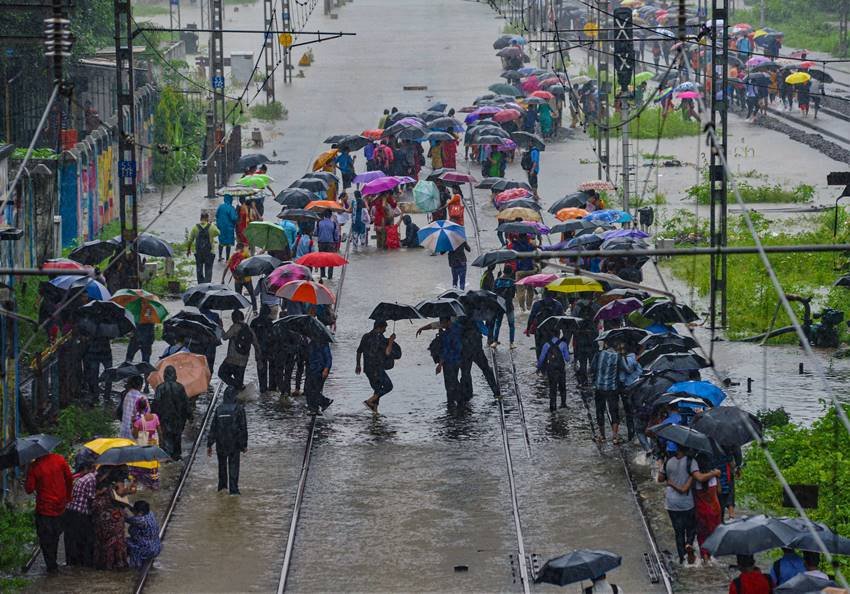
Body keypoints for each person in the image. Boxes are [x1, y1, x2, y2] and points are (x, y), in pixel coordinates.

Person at [25, 451, 72, 573]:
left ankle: (51, 565)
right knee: (55, 535)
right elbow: (69, 479)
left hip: (44, 509)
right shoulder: (60, 459)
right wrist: (67, 497)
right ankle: (53, 562)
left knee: (45, 538)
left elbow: (29, 489)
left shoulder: (35, 466)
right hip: (60, 507)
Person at [658, 443, 698, 565]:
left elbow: (660, 479)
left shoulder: (668, 461)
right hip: (687, 502)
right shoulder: (691, 462)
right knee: (691, 528)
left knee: (678, 532)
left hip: (671, 503)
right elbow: (694, 479)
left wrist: (669, 479)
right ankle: (689, 544)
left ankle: (682, 559)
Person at [207, 386, 248, 494]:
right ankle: (233, 491)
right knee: (233, 466)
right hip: (234, 443)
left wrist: (209, 444)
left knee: (222, 466)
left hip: (221, 443)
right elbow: (243, 428)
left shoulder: (219, 409)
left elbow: (213, 427)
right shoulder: (239, 409)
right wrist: (244, 445)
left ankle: (222, 488)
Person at [92, 466, 132, 570]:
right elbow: (120, 493)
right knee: (116, 539)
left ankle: (102, 563)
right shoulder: (118, 479)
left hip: (101, 513)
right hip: (114, 516)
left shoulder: (101, 475)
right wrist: (130, 489)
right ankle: (116, 563)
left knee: (102, 538)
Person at [357, 320, 400, 413]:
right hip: (376, 368)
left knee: (378, 389)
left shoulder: (365, 336)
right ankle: (369, 401)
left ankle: (375, 411)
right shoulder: (379, 338)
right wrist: (391, 341)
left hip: (367, 369)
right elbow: (387, 352)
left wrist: (358, 365)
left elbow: (359, 351)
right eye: (384, 328)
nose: (385, 330)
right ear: (379, 327)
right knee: (388, 386)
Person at [154, 365, 193, 461]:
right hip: (178, 420)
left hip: (164, 419)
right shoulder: (180, 387)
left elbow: (156, 404)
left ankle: (167, 458)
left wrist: (153, 418)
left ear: (164, 375)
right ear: (175, 375)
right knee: (177, 438)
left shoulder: (160, 388)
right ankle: (176, 457)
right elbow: (186, 403)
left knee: (166, 439)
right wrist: (190, 416)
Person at [64, 454, 96, 567]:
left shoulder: (79, 478)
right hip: (80, 513)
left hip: (70, 511)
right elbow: (91, 498)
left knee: (71, 539)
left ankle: (71, 564)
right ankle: (82, 564)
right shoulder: (91, 478)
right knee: (83, 539)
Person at [590, 341, 624, 443]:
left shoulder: (598, 354)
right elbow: (623, 370)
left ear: (606, 344)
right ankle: (615, 436)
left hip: (599, 387)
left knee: (600, 410)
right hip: (612, 388)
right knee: (614, 411)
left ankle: (602, 435)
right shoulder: (618, 357)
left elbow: (592, 368)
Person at [218, 310, 259, 390]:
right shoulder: (249, 329)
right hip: (243, 361)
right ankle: (239, 389)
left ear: (234, 318)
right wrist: (258, 358)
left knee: (222, 373)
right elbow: (256, 344)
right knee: (239, 380)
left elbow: (225, 337)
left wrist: (221, 327)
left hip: (231, 359)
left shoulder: (235, 327)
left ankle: (238, 386)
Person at [538, 334, 570, 412]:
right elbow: (567, 359)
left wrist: (538, 367)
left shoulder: (546, 345)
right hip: (561, 369)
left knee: (552, 388)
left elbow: (541, 358)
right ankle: (563, 404)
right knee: (562, 386)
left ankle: (553, 406)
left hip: (551, 369)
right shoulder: (563, 344)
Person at [125, 500, 161, 568]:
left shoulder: (141, 520)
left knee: (123, 541)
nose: (133, 512)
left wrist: (120, 506)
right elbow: (134, 510)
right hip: (156, 546)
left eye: (135, 511)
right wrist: (127, 504)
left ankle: (135, 565)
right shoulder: (150, 513)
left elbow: (126, 518)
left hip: (147, 549)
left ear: (140, 512)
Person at [223, 243, 257, 312]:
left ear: (236, 248)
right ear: (242, 248)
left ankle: (236, 310)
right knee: (252, 294)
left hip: (237, 280)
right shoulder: (246, 255)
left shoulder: (233, 256)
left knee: (238, 296)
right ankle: (255, 309)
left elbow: (226, 268)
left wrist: (222, 279)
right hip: (247, 279)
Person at [251, 305, 278, 394]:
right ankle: (272, 387)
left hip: (259, 349)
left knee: (261, 369)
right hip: (270, 349)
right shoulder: (271, 322)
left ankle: (263, 389)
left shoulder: (254, 322)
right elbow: (274, 336)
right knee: (272, 368)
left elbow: (251, 336)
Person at [187, 212, 219, 283]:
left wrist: (188, 249)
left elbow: (190, 240)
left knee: (199, 269)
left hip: (199, 252)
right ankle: (207, 284)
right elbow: (218, 233)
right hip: (210, 252)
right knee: (209, 269)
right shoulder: (211, 227)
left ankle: (200, 284)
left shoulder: (195, 227)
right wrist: (212, 225)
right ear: (207, 218)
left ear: (200, 218)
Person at [305, 337, 334, 414]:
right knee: (308, 390)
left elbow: (329, 358)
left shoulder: (322, 343)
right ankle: (314, 408)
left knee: (314, 391)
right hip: (311, 370)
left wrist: (326, 369)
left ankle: (324, 402)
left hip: (320, 370)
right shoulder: (309, 344)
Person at [490, 268, 517, 348]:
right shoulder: (512, 282)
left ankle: (495, 342)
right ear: (511, 272)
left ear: (503, 272)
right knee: (511, 325)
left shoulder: (497, 281)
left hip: (499, 306)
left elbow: (493, 293)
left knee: (498, 324)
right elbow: (513, 295)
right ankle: (511, 343)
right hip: (509, 306)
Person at [82, 334, 113, 403]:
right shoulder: (105, 328)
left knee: (99, 375)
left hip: (100, 352)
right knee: (97, 375)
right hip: (99, 352)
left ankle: (100, 395)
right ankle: (102, 395)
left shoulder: (93, 328)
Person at [316, 210, 341, 279]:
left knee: (322, 259)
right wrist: (336, 242)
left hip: (321, 243)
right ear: (330, 216)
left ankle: (322, 275)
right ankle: (330, 276)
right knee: (331, 260)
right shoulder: (333, 224)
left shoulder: (319, 223)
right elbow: (336, 236)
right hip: (330, 244)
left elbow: (316, 233)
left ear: (324, 215)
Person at [215, 194, 238, 262]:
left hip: (221, 227)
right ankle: (227, 259)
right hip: (229, 228)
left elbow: (216, 215)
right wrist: (236, 214)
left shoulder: (220, 206)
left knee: (221, 241)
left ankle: (220, 256)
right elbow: (233, 218)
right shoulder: (231, 208)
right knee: (228, 243)